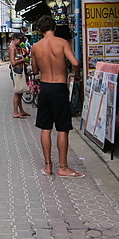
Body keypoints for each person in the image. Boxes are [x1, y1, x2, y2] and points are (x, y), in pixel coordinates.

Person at [30, 15, 84, 178]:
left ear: (40, 30)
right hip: (60, 88)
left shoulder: (36, 47)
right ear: (54, 27)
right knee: (62, 128)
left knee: (45, 128)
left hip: (45, 87)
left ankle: (48, 166)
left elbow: (34, 71)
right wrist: (76, 76)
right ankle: (63, 167)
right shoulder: (62, 43)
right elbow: (75, 63)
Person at [9, 33, 30, 118]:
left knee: (20, 92)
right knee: (17, 92)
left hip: (21, 70)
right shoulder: (12, 48)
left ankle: (21, 110)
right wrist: (22, 60)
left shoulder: (19, 48)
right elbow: (13, 62)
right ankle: (15, 112)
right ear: (14, 39)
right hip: (16, 71)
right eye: (18, 39)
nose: (19, 41)